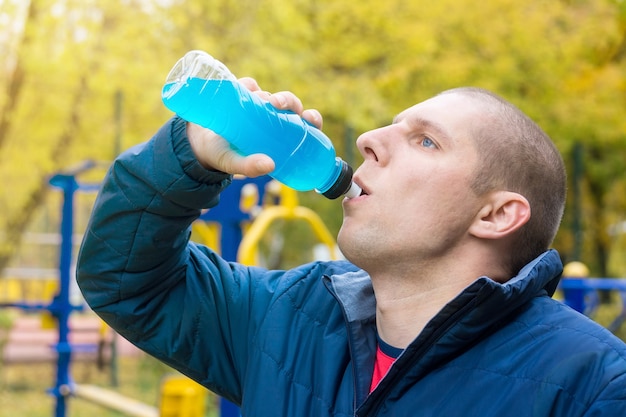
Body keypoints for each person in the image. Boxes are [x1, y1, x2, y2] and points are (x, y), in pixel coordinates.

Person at [77, 77, 626, 416]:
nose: (367, 140)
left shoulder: (592, 385)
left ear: (496, 214)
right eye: (390, 126)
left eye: (426, 140)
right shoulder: (290, 314)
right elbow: (132, 282)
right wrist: (187, 155)